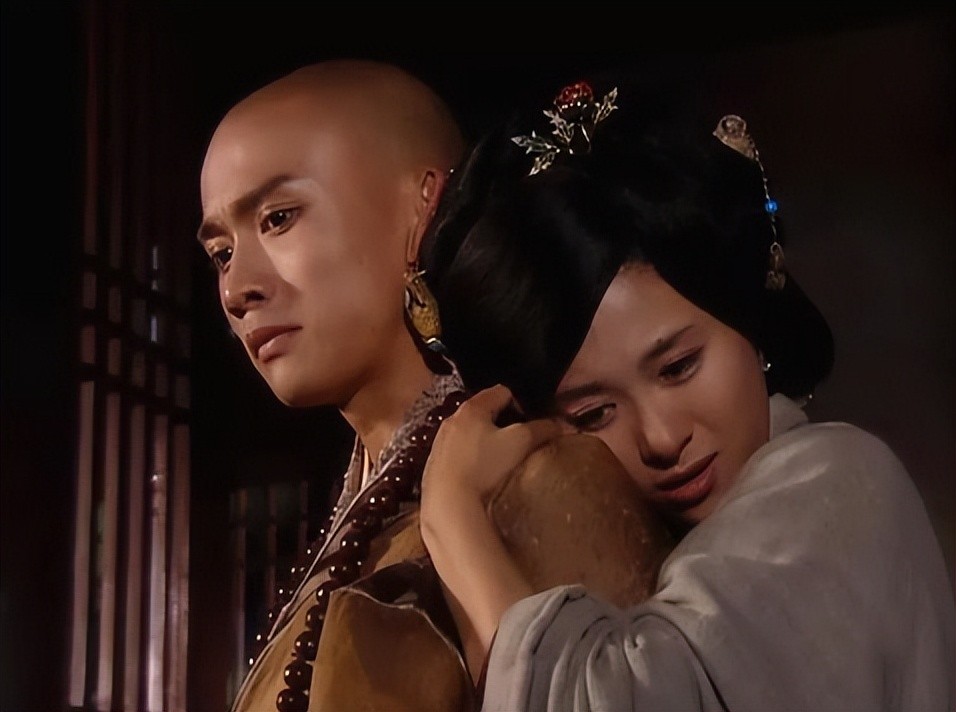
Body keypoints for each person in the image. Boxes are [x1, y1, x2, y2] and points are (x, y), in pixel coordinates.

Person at [418, 79, 956, 710]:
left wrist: (453, 521)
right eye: (594, 413)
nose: (663, 438)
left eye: (678, 367)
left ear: (745, 321)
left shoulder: (838, 482)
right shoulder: (655, 539)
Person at [197, 58, 473, 712]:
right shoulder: (364, 509)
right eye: (221, 254)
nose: (236, 290)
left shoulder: (517, 482)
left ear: (424, 205)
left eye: (278, 218)